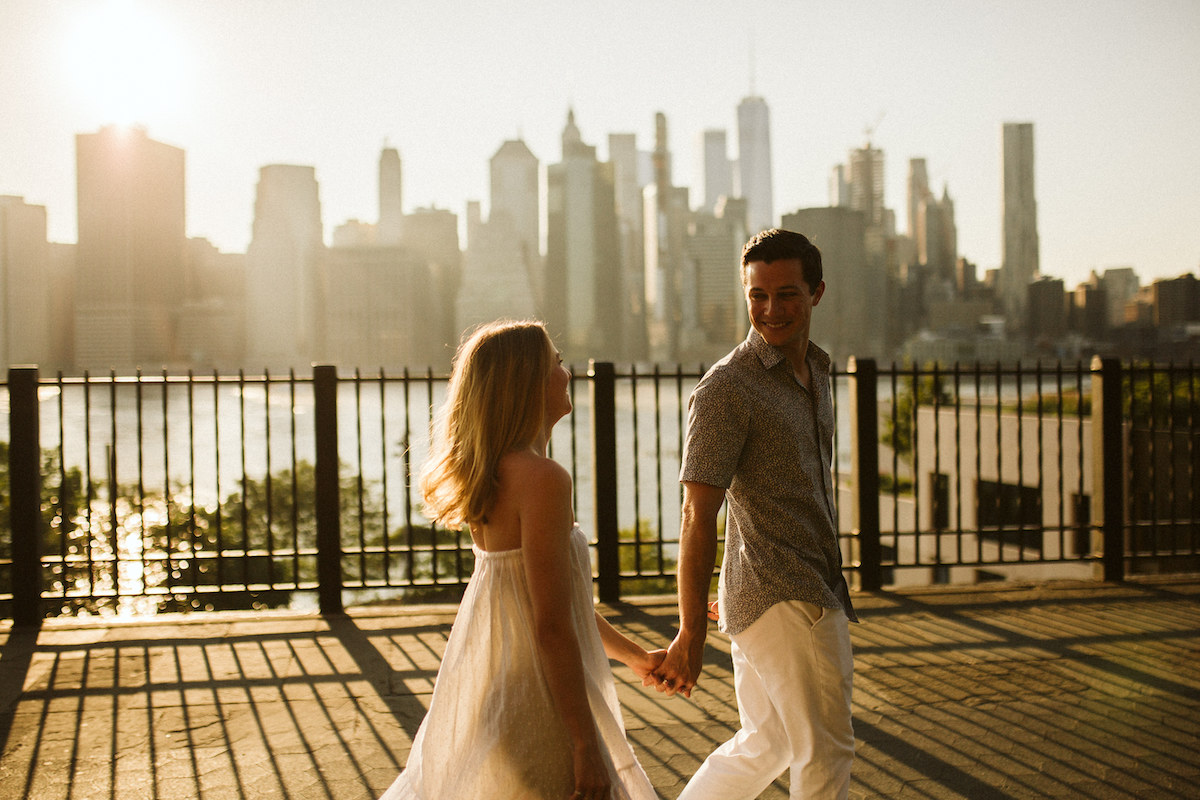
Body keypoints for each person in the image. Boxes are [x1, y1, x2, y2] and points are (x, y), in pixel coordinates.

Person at [379, 319, 663, 800]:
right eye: (556, 362)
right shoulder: (543, 479)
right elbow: (550, 623)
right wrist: (584, 743)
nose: (566, 373)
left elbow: (561, 603)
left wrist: (637, 658)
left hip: (499, 683)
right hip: (538, 697)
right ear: (527, 381)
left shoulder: (492, 473)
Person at [651, 229, 858, 798]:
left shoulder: (817, 371)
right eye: (757, 295)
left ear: (816, 293)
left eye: (787, 294)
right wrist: (690, 629)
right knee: (825, 747)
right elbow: (698, 514)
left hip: (790, 586)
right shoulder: (727, 389)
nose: (771, 310)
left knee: (772, 741)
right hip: (785, 594)